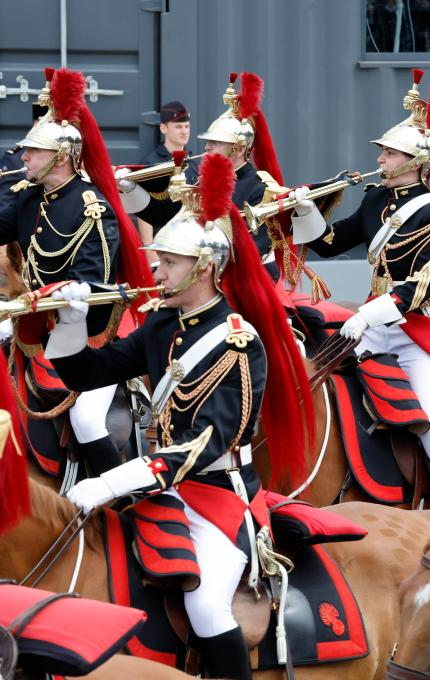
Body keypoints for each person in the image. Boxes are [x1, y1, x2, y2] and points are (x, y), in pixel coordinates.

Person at [49, 152, 312, 680]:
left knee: (206, 606)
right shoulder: (161, 323)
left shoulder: (237, 343)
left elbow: (206, 443)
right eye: (159, 258)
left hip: (217, 496)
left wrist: (111, 481)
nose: (155, 270)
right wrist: (71, 323)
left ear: (205, 268)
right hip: (163, 486)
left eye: (168, 262)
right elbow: (85, 374)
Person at [288, 70, 430, 497]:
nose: (381, 160)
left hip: (418, 335)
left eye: (390, 154)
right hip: (375, 327)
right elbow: (329, 244)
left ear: (417, 161)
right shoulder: (374, 200)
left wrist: (367, 313)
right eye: (383, 152)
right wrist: (305, 208)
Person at [0, 68, 153, 478]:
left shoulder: (92, 207)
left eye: (32, 151)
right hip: (31, 323)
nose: (23, 157)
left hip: (84, 332)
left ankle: (116, 495)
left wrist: (30, 312)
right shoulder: (28, 198)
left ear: (61, 156)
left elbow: (92, 285)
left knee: (87, 421)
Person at [118, 73, 288, 281]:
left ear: (238, 148)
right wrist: (130, 188)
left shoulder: (261, 188)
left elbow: (253, 249)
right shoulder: (205, 181)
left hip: (248, 282)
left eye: (215, 142)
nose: (207, 147)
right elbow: (165, 215)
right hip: (204, 277)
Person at [136, 101, 191, 264]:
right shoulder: (152, 164)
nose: (184, 131)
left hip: (190, 242)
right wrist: (150, 249)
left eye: (187, 126)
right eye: (178, 127)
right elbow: (143, 207)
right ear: (163, 128)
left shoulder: (194, 162)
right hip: (164, 244)